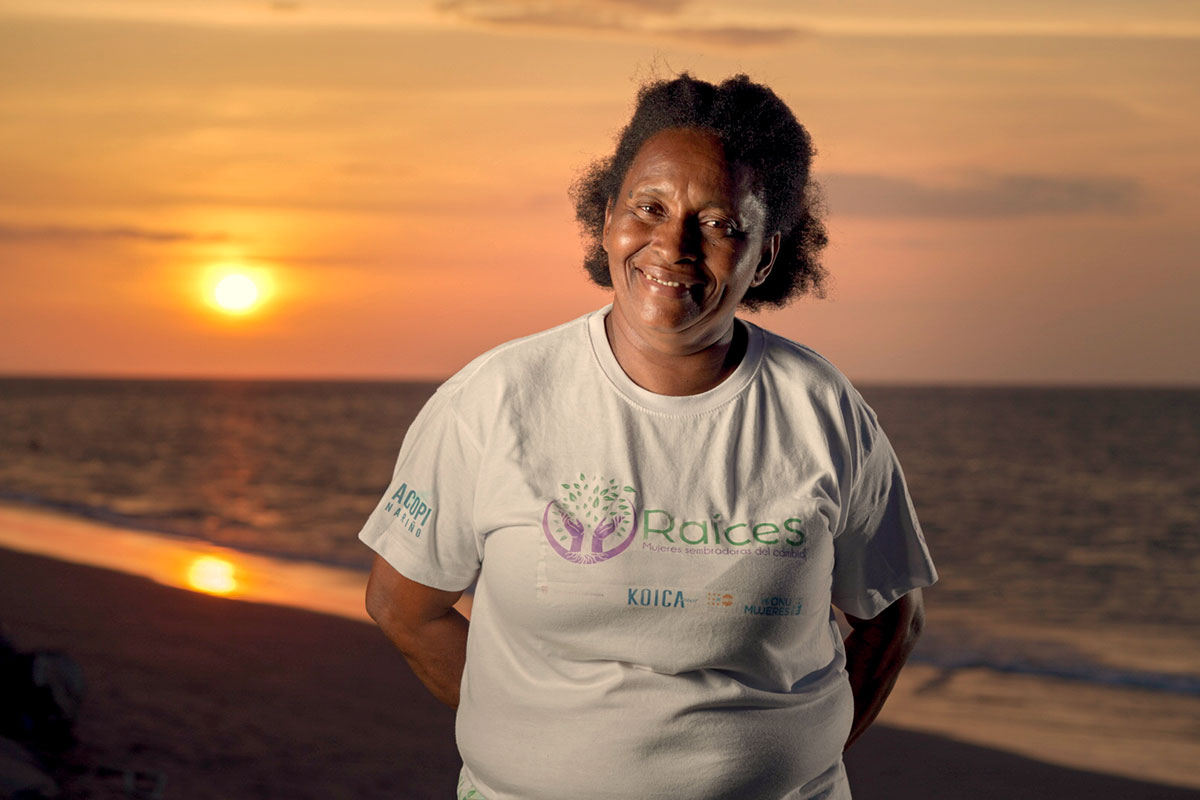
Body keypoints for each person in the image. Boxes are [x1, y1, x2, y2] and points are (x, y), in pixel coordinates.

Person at [360, 73, 937, 800]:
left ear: (764, 256)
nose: (674, 244)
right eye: (649, 208)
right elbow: (403, 607)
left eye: (721, 223)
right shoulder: (495, 399)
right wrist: (535, 737)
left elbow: (891, 620)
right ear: (607, 221)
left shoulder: (821, 410)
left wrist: (792, 763)